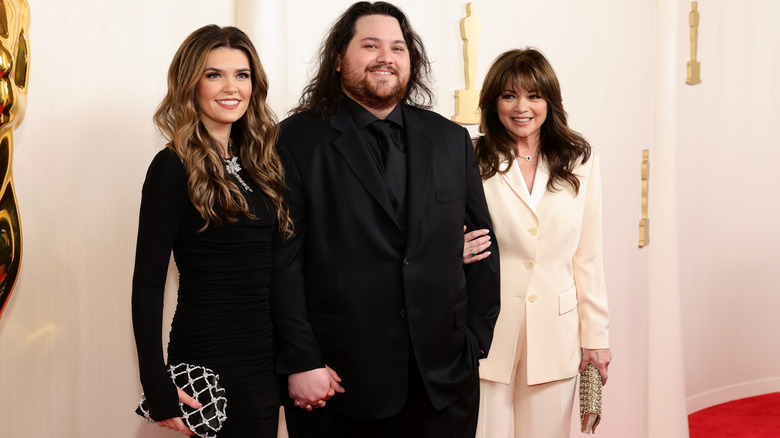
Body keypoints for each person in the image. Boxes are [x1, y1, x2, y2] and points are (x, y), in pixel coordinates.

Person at [270, 2, 501, 437]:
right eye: (370, 45)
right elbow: (284, 263)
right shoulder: (296, 140)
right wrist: (301, 359)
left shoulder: (451, 139)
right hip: (339, 382)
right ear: (338, 59)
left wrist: (474, 341)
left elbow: (484, 245)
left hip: (444, 382)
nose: (386, 57)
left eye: (398, 47)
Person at [131, 24, 292, 437]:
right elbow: (148, 285)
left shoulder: (263, 164)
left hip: (262, 365)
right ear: (191, 84)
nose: (231, 87)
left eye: (242, 74)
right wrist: (157, 381)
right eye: (213, 74)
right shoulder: (172, 167)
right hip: (206, 365)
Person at [463, 48, 612, 438]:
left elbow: (588, 256)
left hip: (556, 333)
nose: (521, 107)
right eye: (509, 95)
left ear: (550, 101)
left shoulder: (580, 158)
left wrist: (596, 339)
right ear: (493, 101)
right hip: (484, 330)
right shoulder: (470, 156)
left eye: (534, 95)